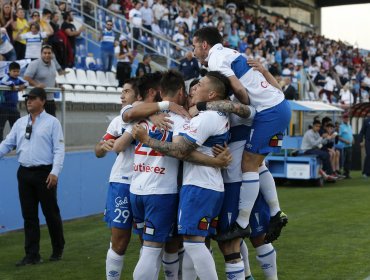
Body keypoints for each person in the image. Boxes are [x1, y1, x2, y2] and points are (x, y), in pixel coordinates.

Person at [192, 26, 290, 243]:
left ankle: (242, 224)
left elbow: (239, 91)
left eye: (195, 46)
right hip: (278, 106)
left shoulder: (216, 59)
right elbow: (273, 91)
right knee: (258, 165)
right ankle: (276, 213)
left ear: (204, 45)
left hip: (269, 111)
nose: (194, 52)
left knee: (249, 164)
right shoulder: (229, 53)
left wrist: (237, 103)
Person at [132, 71, 230, 279]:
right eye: (189, 89)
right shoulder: (185, 118)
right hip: (176, 189)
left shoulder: (140, 114)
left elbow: (179, 150)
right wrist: (215, 162)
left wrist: (149, 130)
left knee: (186, 245)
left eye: (199, 85)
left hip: (175, 187)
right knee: (188, 244)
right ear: (179, 93)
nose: (193, 89)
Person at [0, 87, 65, 266]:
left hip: (45, 173)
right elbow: (7, 143)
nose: (28, 101)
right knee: (29, 216)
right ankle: (32, 254)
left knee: (51, 213)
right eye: (27, 98)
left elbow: (59, 150)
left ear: (43, 101)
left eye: (33, 98)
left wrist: (54, 172)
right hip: (24, 173)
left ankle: (58, 248)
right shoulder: (20, 123)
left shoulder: (53, 123)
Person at [94, 78, 140, 280]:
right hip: (122, 182)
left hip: (149, 184)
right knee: (119, 242)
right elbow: (98, 149)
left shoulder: (151, 119)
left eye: (127, 91)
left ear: (138, 96)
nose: (122, 95)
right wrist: (101, 148)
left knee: (152, 242)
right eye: (122, 91)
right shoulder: (117, 121)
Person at [23, 44, 64, 117]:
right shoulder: (34, 64)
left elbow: (52, 78)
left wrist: (58, 86)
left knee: (51, 122)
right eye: (45, 53)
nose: (47, 55)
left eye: (49, 53)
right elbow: (26, 77)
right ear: (41, 54)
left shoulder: (53, 64)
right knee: (35, 122)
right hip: (35, 98)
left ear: (52, 54)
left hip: (49, 98)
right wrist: (37, 85)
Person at [0, 62, 29, 142]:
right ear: (9, 71)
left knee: (17, 127)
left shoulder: (18, 78)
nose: (16, 73)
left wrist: (22, 86)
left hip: (13, 108)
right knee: (0, 127)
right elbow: (3, 82)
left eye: (18, 71)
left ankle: (16, 144)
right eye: (14, 71)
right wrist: (11, 84)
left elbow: (27, 82)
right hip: (3, 107)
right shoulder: (6, 77)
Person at [338, 112, 354, 179]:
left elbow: (351, 134)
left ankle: (347, 174)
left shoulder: (349, 126)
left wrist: (353, 139)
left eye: (347, 117)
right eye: (345, 117)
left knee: (349, 160)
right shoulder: (341, 126)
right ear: (343, 118)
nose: (346, 118)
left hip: (349, 146)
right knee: (343, 160)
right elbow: (339, 137)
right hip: (343, 146)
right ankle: (342, 173)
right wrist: (345, 141)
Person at [359, 111, 370, 178]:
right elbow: (362, 132)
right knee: (369, 155)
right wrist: (360, 141)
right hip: (368, 141)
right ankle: (365, 172)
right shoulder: (366, 121)